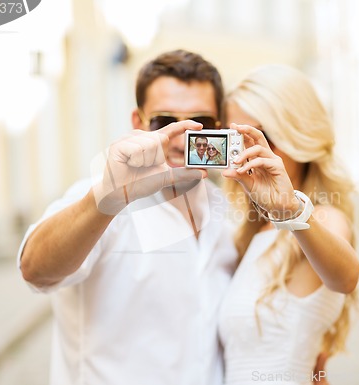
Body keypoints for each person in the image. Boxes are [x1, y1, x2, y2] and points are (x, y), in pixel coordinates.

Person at [18, 50, 237, 385]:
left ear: (218, 129)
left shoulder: (224, 211)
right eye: (165, 123)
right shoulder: (99, 199)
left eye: (200, 124)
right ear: (138, 123)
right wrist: (106, 199)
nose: (180, 139)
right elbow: (35, 268)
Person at [219, 64, 359, 385]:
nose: (250, 151)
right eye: (236, 138)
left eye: (262, 137)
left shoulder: (321, 219)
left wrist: (291, 210)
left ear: (297, 134)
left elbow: (346, 277)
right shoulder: (251, 233)